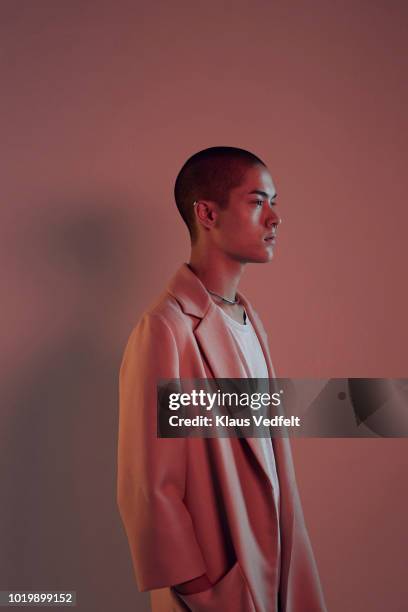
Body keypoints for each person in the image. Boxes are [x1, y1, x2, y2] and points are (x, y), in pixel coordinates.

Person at [117, 147, 327, 611]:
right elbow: (150, 486)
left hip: (276, 572)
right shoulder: (165, 330)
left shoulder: (249, 319)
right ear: (207, 213)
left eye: (273, 201)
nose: (274, 218)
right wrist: (199, 589)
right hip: (220, 590)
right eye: (257, 202)